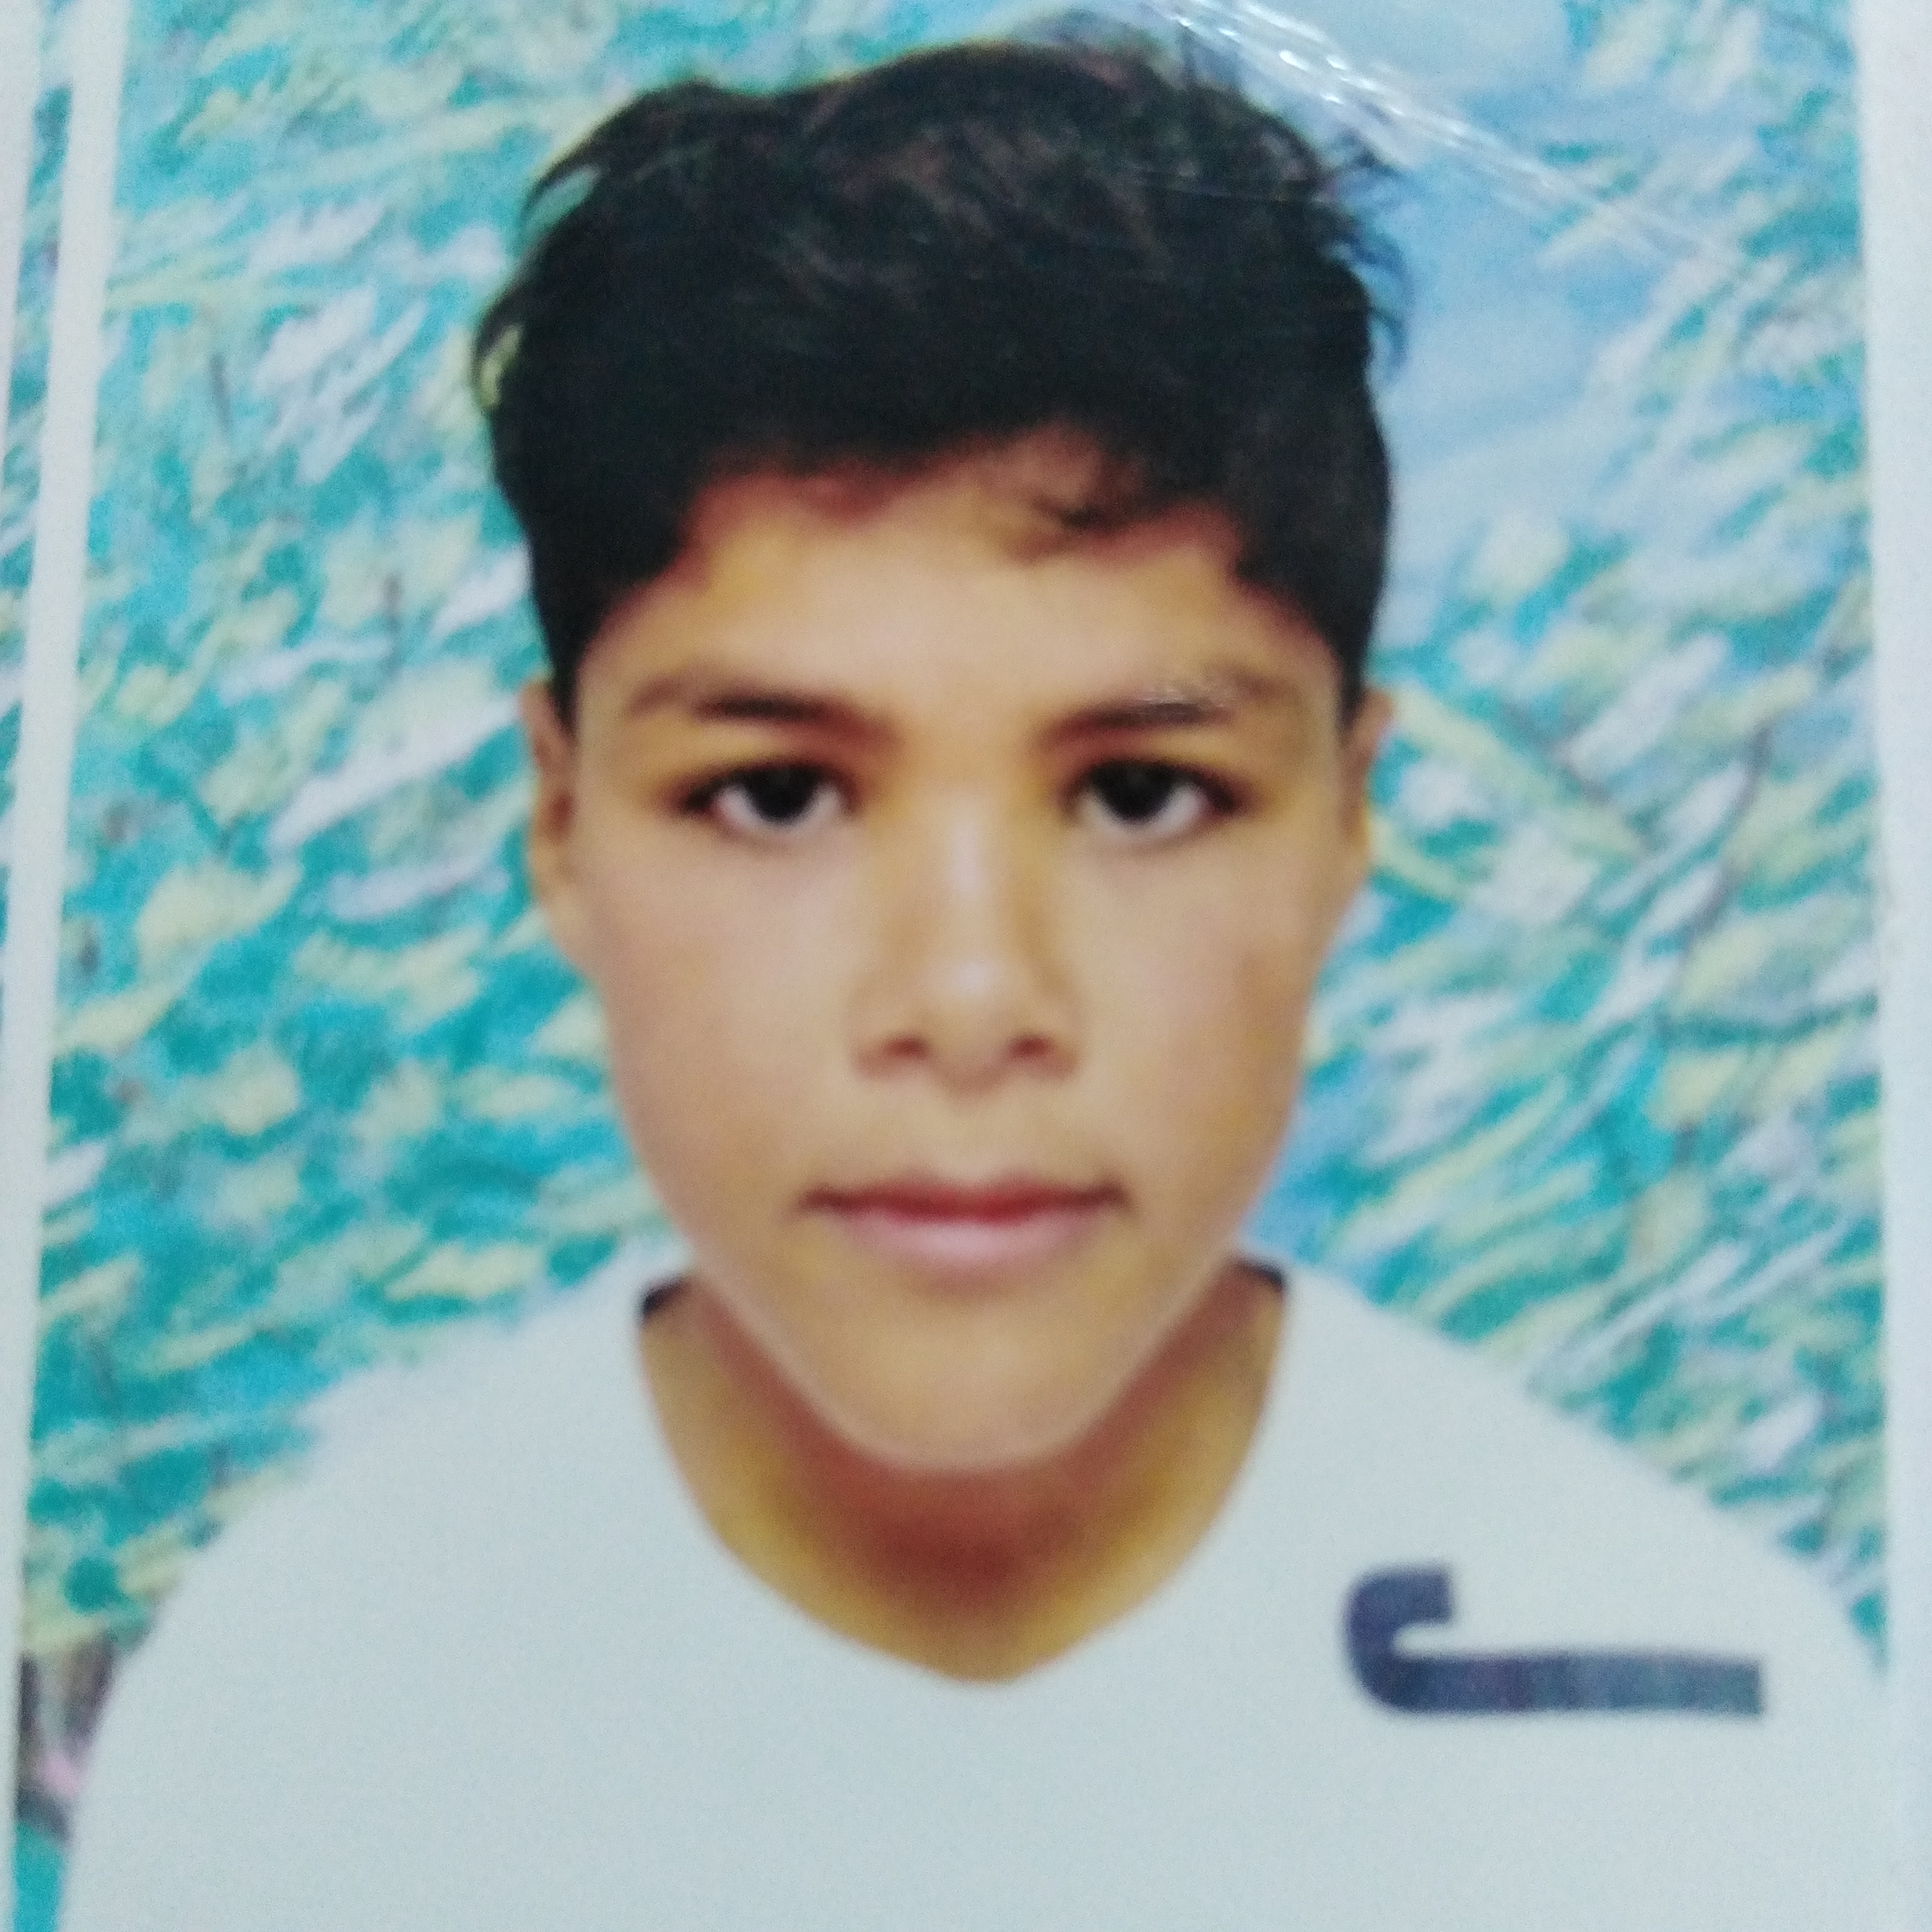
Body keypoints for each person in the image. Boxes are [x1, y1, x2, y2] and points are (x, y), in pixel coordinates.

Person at [59, 34, 1882, 1931]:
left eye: (1142, 795)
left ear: (1348, 820)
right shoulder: (297, 1725)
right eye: (775, 795)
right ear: (563, 821)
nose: (968, 996)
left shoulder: (1702, 1724)